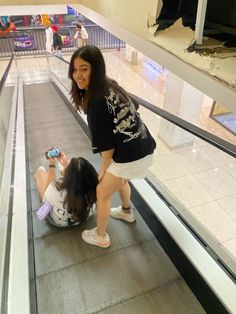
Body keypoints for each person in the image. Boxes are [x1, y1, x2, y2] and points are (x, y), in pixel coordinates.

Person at [68, 45, 156, 248]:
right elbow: (135, 105)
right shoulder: (110, 84)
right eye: (74, 69)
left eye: (84, 69)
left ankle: (101, 237)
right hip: (143, 146)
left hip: (131, 156)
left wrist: (103, 170)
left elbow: (106, 149)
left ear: (95, 69)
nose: (77, 75)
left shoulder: (96, 102)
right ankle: (126, 212)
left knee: (102, 192)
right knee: (120, 179)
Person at [34, 151, 99, 228]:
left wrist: (52, 165)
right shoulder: (94, 184)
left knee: (40, 173)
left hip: (59, 222)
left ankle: (41, 172)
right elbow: (77, 177)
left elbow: (46, 196)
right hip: (85, 217)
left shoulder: (56, 188)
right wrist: (65, 164)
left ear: (69, 175)